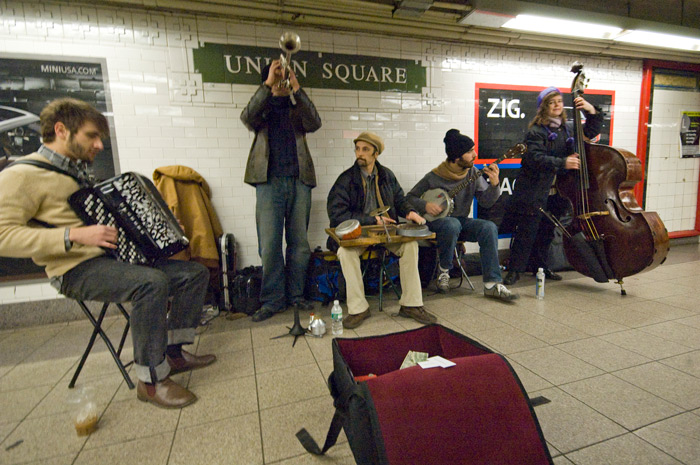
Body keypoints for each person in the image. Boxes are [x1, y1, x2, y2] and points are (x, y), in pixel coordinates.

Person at [0, 98, 216, 409]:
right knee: (151, 283)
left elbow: (113, 222)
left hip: (110, 261)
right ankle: (151, 382)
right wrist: (72, 235)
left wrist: (161, 228)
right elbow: (4, 236)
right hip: (74, 270)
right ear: (61, 130)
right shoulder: (22, 175)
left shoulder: (75, 174)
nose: (99, 145)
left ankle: (173, 353)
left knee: (194, 273)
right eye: (91, 136)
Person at [327, 131, 437, 329]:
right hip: (359, 232)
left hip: (385, 232)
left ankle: (410, 304)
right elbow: (336, 214)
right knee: (344, 252)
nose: (360, 154)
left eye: (365, 150)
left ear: (375, 154)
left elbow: (400, 200)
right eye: (357, 149)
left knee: (410, 245)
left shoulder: (387, 175)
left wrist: (410, 212)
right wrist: (371, 219)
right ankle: (359, 308)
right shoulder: (345, 180)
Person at [240, 59, 322, 322]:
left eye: (284, 77)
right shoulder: (262, 110)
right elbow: (246, 116)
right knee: (270, 245)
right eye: (278, 78)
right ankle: (273, 299)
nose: (282, 81)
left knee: (299, 245)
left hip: (300, 180)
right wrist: (267, 85)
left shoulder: (297, 109)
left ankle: (296, 296)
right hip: (269, 181)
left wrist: (297, 88)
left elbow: (315, 122)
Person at [501, 86, 603, 285]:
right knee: (526, 232)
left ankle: (540, 267)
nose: (557, 105)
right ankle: (514, 270)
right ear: (543, 108)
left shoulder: (569, 128)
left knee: (547, 232)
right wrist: (563, 162)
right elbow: (534, 158)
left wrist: (590, 109)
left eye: (559, 101)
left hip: (559, 192)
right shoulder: (535, 132)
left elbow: (591, 130)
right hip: (535, 191)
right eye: (551, 102)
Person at [407, 129, 519, 301]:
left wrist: (495, 184)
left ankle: (492, 283)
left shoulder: (473, 173)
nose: (475, 154)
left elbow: (486, 202)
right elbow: (410, 198)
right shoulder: (433, 177)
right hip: (437, 224)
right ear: (457, 157)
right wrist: (425, 205)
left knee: (488, 227)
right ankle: (444, 271)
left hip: (461, 222)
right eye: (469, 151)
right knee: (451, 224)